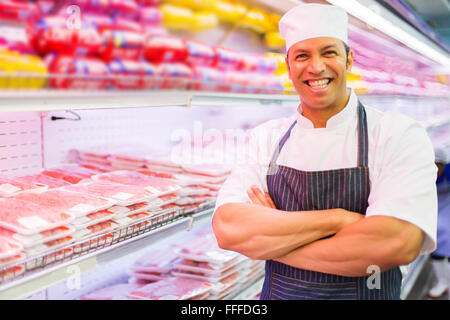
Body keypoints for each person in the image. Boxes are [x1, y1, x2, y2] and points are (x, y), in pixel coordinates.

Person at [212, 3, 438, 300]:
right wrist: (340, 219)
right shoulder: (265, 139)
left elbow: (396, 243)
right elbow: (229, 229)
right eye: (302, 55)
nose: (315, 67)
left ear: (349, 60)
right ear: (289, 65)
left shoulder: (398, 134)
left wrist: (273, 240)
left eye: (328, 52)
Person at [428, 146, 449, 298]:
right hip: (433, 211)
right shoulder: (422, 175)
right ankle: (442, 282)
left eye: (437, 166)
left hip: (448, 209)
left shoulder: (448, 172)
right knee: (434, 248)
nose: (434, 170)